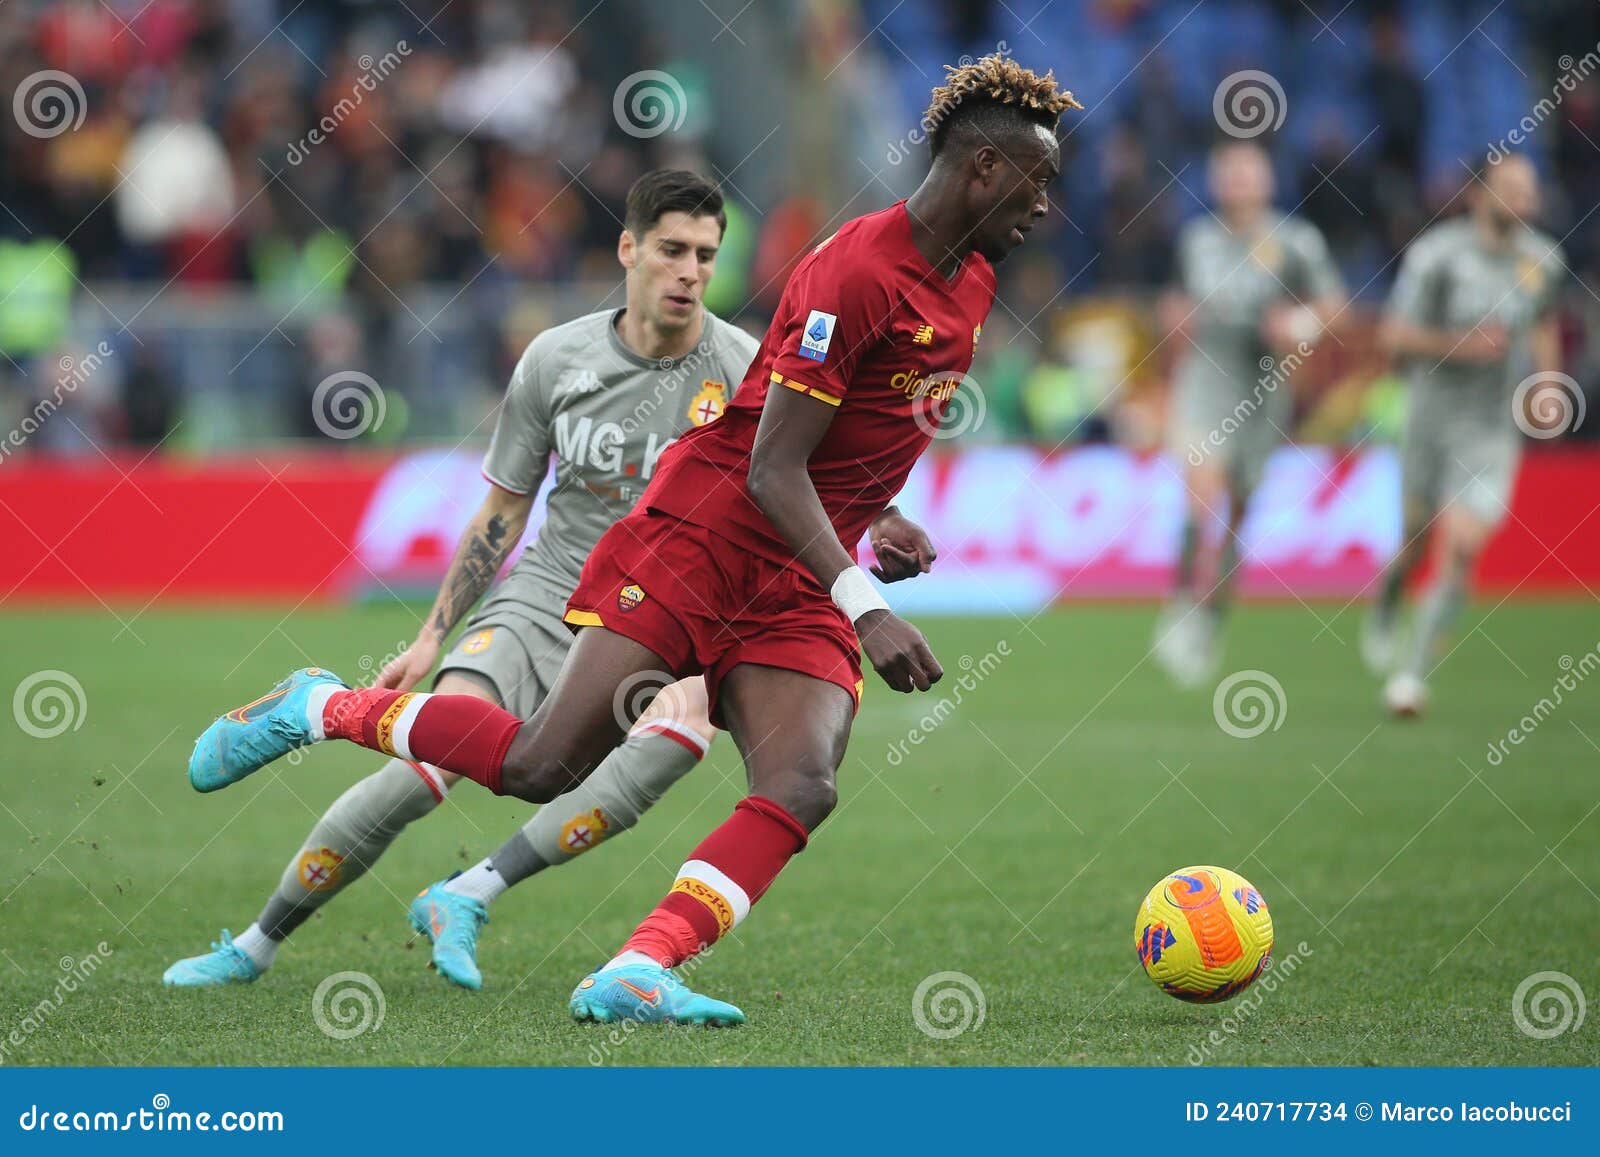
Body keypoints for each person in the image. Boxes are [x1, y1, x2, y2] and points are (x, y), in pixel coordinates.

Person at [187, 55, 1077, 1026]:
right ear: (984, 170)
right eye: (1037, 184)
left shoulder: (972, 282)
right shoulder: (853, 272)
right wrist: (868, 605)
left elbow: (854, 432)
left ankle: (639, 965)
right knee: (541, 763)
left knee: (802, 780)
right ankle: (321, 705)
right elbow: (770, 466)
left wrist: (881, 514)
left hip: (790, 578)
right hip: (701, 542)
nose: (1045, 208)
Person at [166, 170, 762, 990]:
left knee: (676, 744)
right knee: (425, 769)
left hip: (660, 623)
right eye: (672, 250)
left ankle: (467, 891)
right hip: (547, 597)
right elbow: (503, 511)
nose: (691, 271)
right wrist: (431, 635)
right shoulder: (557, 360)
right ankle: (256, 943)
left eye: (706, 254)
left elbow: (791, 485)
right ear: (629, 250)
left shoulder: (742, 370)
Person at [1366, 154, 1565, 715]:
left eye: (1530, 188)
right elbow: (1393, 336)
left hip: (1490, 426)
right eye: (1511, 189)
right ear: (1479, 195)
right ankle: (1389, 596)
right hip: (1430, 420)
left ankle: (1411, 673)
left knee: (1464, 543)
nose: (1524, 200)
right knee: (1416, 538)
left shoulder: (1543, 260)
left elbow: (1545, 320)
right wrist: (1459, 345)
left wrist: (1547, 383)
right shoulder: (1437, 257)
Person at [1155, 141, 1344, 686]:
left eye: (1248, 174)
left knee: (1239, 511)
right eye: (1229, 175)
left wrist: (1299, 326)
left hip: (1263, 384)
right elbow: (1175, 302)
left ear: (1267, 181)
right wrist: (1174, 330)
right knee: (1201, 494)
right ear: (1216, 184)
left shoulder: (1296, 242)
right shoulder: (1197, 241)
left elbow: (1333, 304)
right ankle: (1180, 602)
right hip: (1208, 377)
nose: (1239, 183)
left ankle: (1212, 616)